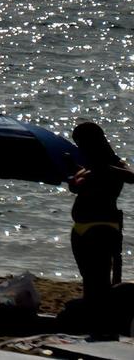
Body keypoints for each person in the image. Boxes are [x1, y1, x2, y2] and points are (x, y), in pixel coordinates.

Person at [69, 122, 134, 339]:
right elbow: (74, 186)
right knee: (89, 278)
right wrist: (75, 178)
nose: (80, 146)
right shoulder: (85, 164)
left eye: (81, 142)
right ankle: (93, 323)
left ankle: (103, 328)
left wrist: (103, 169)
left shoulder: (114, 163)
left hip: (102, 229)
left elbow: (132, 177)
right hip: (80, 229)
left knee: (100, 281)